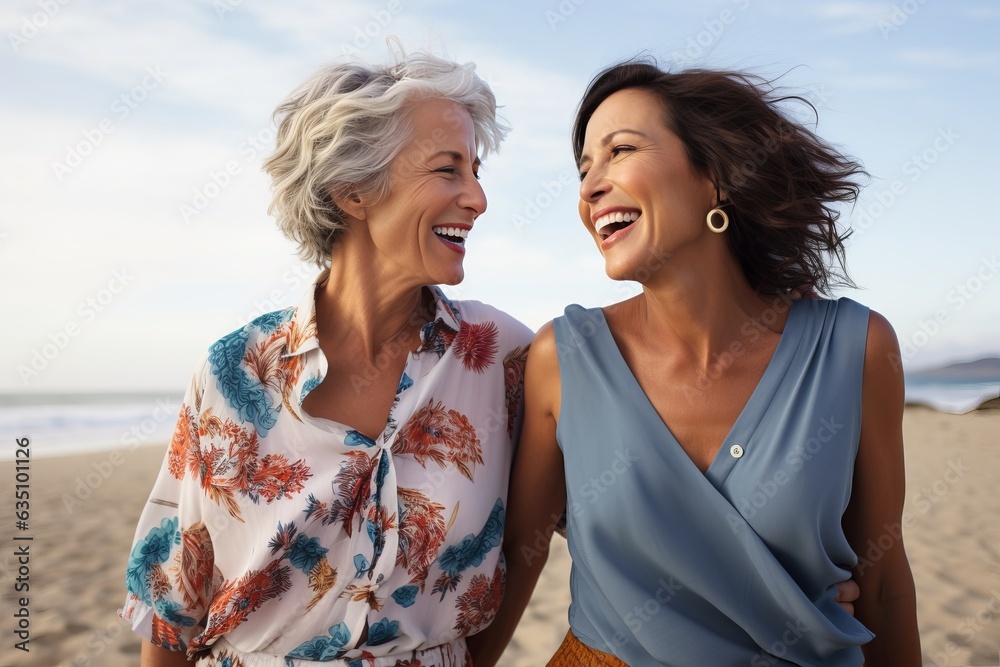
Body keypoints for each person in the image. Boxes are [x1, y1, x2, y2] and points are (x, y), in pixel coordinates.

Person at [476, 61, 921, 665]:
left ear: (715, 178)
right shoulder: (565, 359)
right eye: (584, 169)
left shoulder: (855, 349)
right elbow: (513, 568)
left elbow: (885, 584)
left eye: (621, 151)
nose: (589, 188)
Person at [119, 50, 534, 667]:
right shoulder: (235, 372)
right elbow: (172, 612)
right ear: (354, 190)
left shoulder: (503, 356)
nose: (478, 198)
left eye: (476, 171)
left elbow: (560, 536)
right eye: (449, 170)